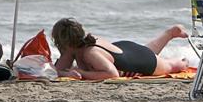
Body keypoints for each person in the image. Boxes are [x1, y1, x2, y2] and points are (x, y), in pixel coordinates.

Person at [52, 18, 191, 79]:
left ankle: (183, 62)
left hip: (137, 59)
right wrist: (65, 73)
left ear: (65, 43)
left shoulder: (90, 54)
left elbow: (112, 74)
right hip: (126, 49)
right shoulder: (76, 48)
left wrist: (81, 72)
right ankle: (169, 34)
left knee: (170, 65)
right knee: (146, 51)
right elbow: (58, 71)